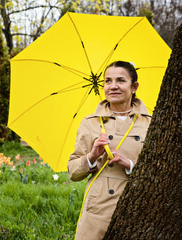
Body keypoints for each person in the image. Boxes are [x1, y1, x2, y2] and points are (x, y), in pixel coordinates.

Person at [67, 60, 151, 239]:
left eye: (121, 80)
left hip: (137, 204)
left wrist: (128, 164)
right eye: (108, 81)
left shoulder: (150, 122)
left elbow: (159, 169)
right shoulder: (90, 122)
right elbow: (73, 172)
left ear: (134, 86)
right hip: (98, 209)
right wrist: (92, 156)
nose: (113, 86)